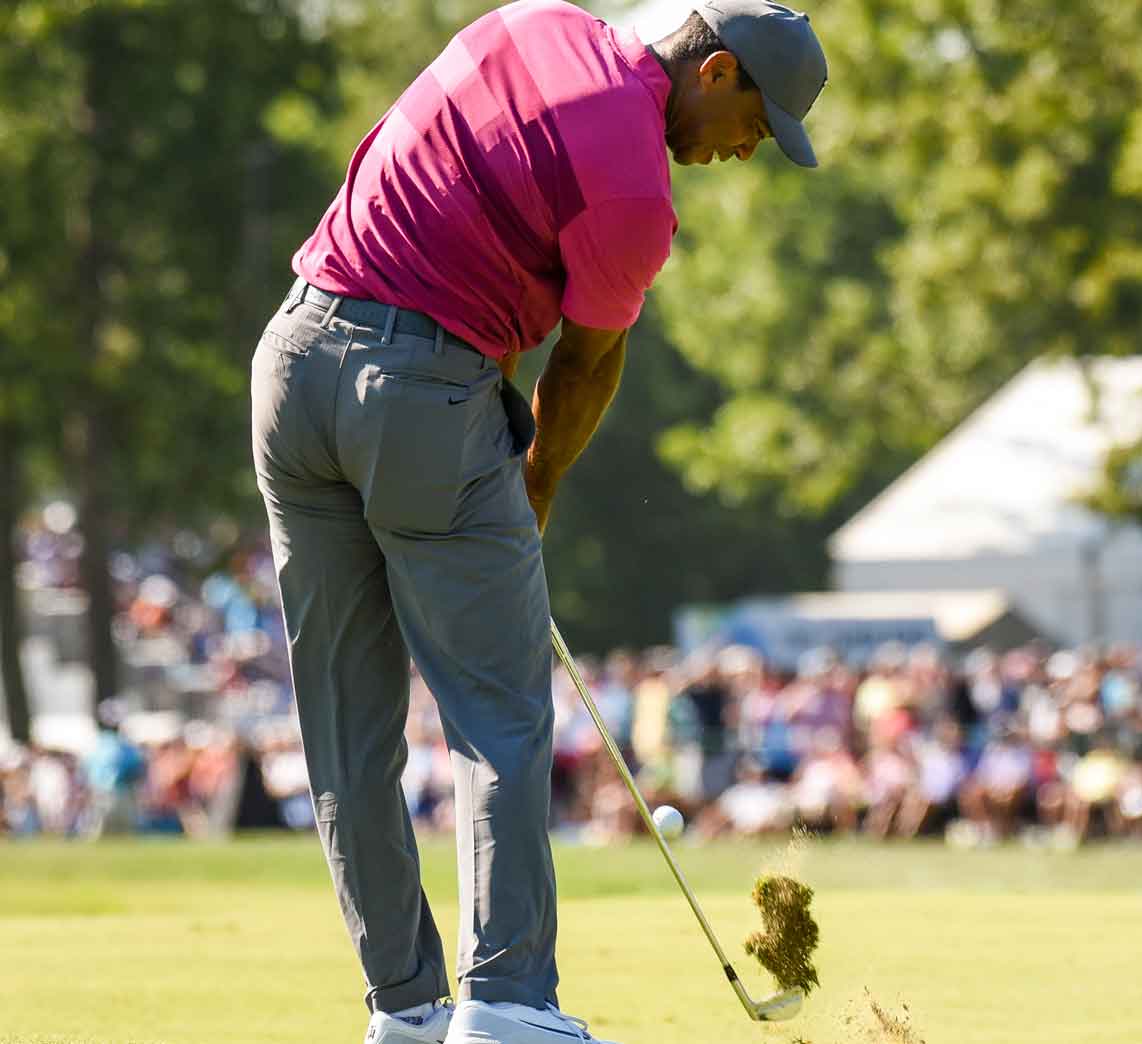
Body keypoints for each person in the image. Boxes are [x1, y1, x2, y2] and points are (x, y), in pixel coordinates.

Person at [248, 3, 827, 1042]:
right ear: (716, 70)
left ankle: (406, 1012)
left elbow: (408, 169)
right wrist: (536, 486)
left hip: (293, 360)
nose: (745, 151)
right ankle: (508, 1006)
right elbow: (585, 364)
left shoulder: (530, 20)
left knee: (347, 728)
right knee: (499, 715)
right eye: (756, 122)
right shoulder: (637, 192)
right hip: (417, 393)